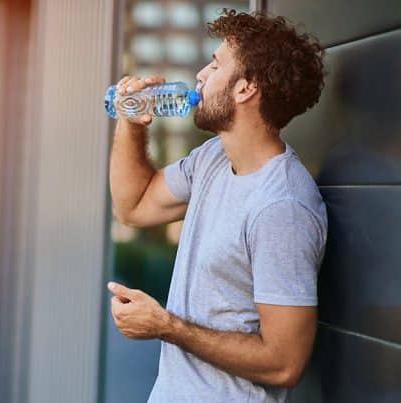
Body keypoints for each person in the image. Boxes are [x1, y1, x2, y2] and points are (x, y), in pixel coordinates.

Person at [107, 9, 327, 402]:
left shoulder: (283, 208)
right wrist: (130, 121)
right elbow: (134, 207)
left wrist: (166, 326)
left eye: (215, 64)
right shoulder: (212, 159)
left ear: (246, 89)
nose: (201, 76)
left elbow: (284, 364)